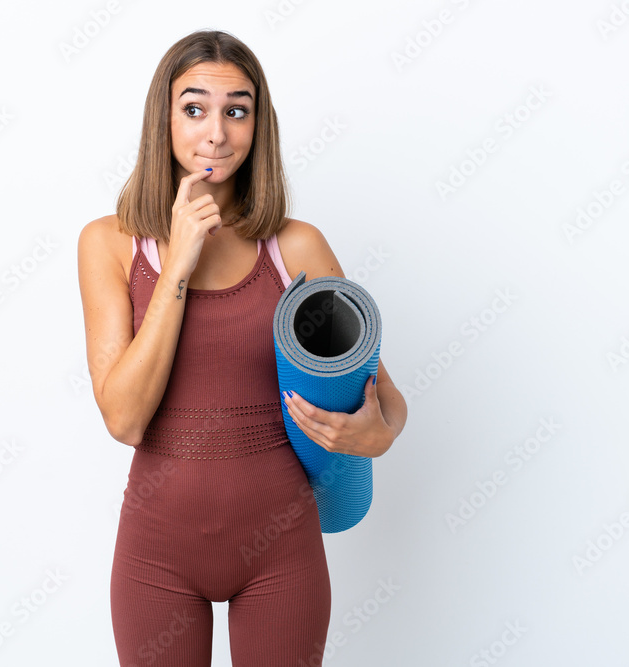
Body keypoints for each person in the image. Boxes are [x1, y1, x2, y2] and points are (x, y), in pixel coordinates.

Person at [77, 28, 407, 667]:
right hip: (157, 553)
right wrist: (178, 262)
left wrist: (376, 435)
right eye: (194, 108)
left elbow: (386, 400)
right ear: (163, 119)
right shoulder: (109, 244)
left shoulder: (298, 247)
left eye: (237, 111)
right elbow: (123, 418)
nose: (217, 133)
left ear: (259, 125)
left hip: (281, 549)